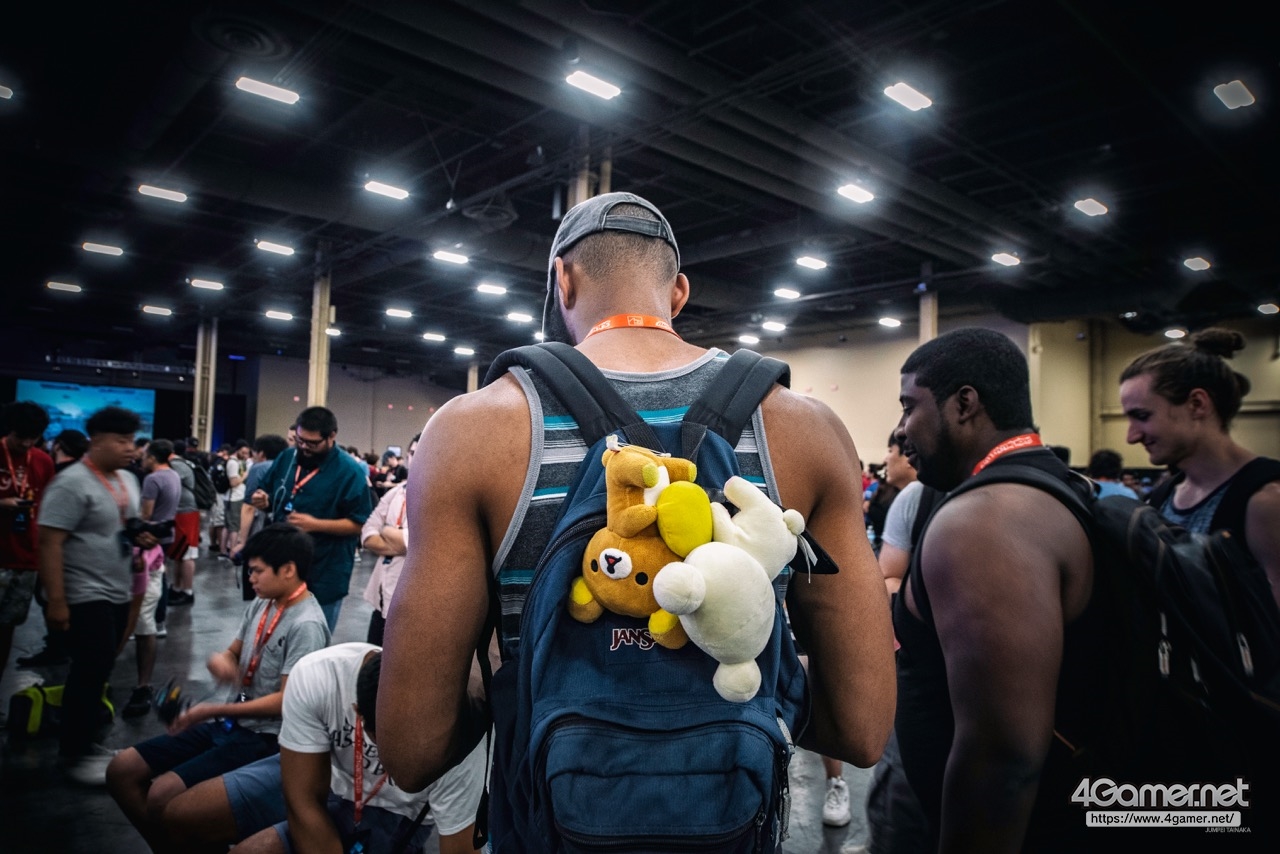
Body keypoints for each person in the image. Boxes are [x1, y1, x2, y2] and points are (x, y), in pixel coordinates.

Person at [376, 192, 896, 803]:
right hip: (728, 821)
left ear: (563, 280)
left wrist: (517, 684)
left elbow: (413, 749)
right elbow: (861, 728)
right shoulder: (806, 428)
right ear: (678, 292)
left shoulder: (470, 431)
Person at [893, 327, 1103, 852]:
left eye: (909, 407)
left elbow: (1002, 760)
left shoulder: (984, 522)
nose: (901, 429)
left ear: (964, 404)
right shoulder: (1054, 484)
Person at [106, 523, 330, 851]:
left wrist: (209, 710)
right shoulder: (264, 603)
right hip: (231, 722)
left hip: (263, 738)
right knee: (122, 770)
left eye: (257, 571)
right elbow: (233, 652)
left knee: (161, 795)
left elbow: (286, 701)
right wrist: (222, 661)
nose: (250, 578)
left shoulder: (306, 625)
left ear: (288, 570)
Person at [162, 644, 485, 854]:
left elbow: (458, 847)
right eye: (387, 745)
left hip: (395, 811)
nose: (399, 761)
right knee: (180, 815)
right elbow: (303, 798)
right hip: (326, 770)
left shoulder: (460, 739)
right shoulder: (321, 674)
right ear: (358, 715)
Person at [1120, 327, 1280, 611]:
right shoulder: (1162, 497)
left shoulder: (1265, 500)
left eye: (1142, 416)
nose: (1132, 436)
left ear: (1197, 404)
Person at [37, 405, 153, 785]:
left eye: (132, 441)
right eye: (121, 441)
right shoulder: (71, 483)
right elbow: (49, 542)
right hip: (83, 592)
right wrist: (57, 600)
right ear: (96, 441)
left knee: (101, 667)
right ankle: (73, 753)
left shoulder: (128, 479)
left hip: (118, 588)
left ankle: (87, 742)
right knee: (90, 668)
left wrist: (139, 536)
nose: (130, 448)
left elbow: (123, 524)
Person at [249, 408, 373, 633]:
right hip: (281, 565)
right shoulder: (287, 458)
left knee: (313, 637)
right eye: (300, 440)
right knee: (273, 634)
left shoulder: (350, 472)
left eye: (312, 443)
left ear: (331, 436)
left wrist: (316, 524)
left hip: (325, 569)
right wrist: (263, 499)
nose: (304, 447)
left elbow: (360, 523)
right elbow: (269, 492)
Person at [17, 428, 86, 669]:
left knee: (49, 597)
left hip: (54, 549)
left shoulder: (59, 476)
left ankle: (58, 647)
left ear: (58, 445)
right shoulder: (83, 475)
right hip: (74, 552)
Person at [0, 401, 55, 685]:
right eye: (20, 436)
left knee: (8, 627)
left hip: (25, 559)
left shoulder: (43, 461)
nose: (26, 443)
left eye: (33, 438)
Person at [361, 434, 418, 645]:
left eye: (424, 452)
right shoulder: (396, 493)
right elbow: (368, 533)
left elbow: (419, 544)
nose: (417, 458)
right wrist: (399, 541)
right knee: (374, 653)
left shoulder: (444, 497)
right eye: (412, 453)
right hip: (382, 595)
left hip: (412, 601)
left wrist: (386, 531)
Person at [165, 439, 202, 607]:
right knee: (179, 553)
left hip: (186, 512)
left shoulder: (177, 465)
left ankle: (187, 591)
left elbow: (169, 483)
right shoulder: (179, 464)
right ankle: (177, 587)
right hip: (182, 511)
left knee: (187, 554)